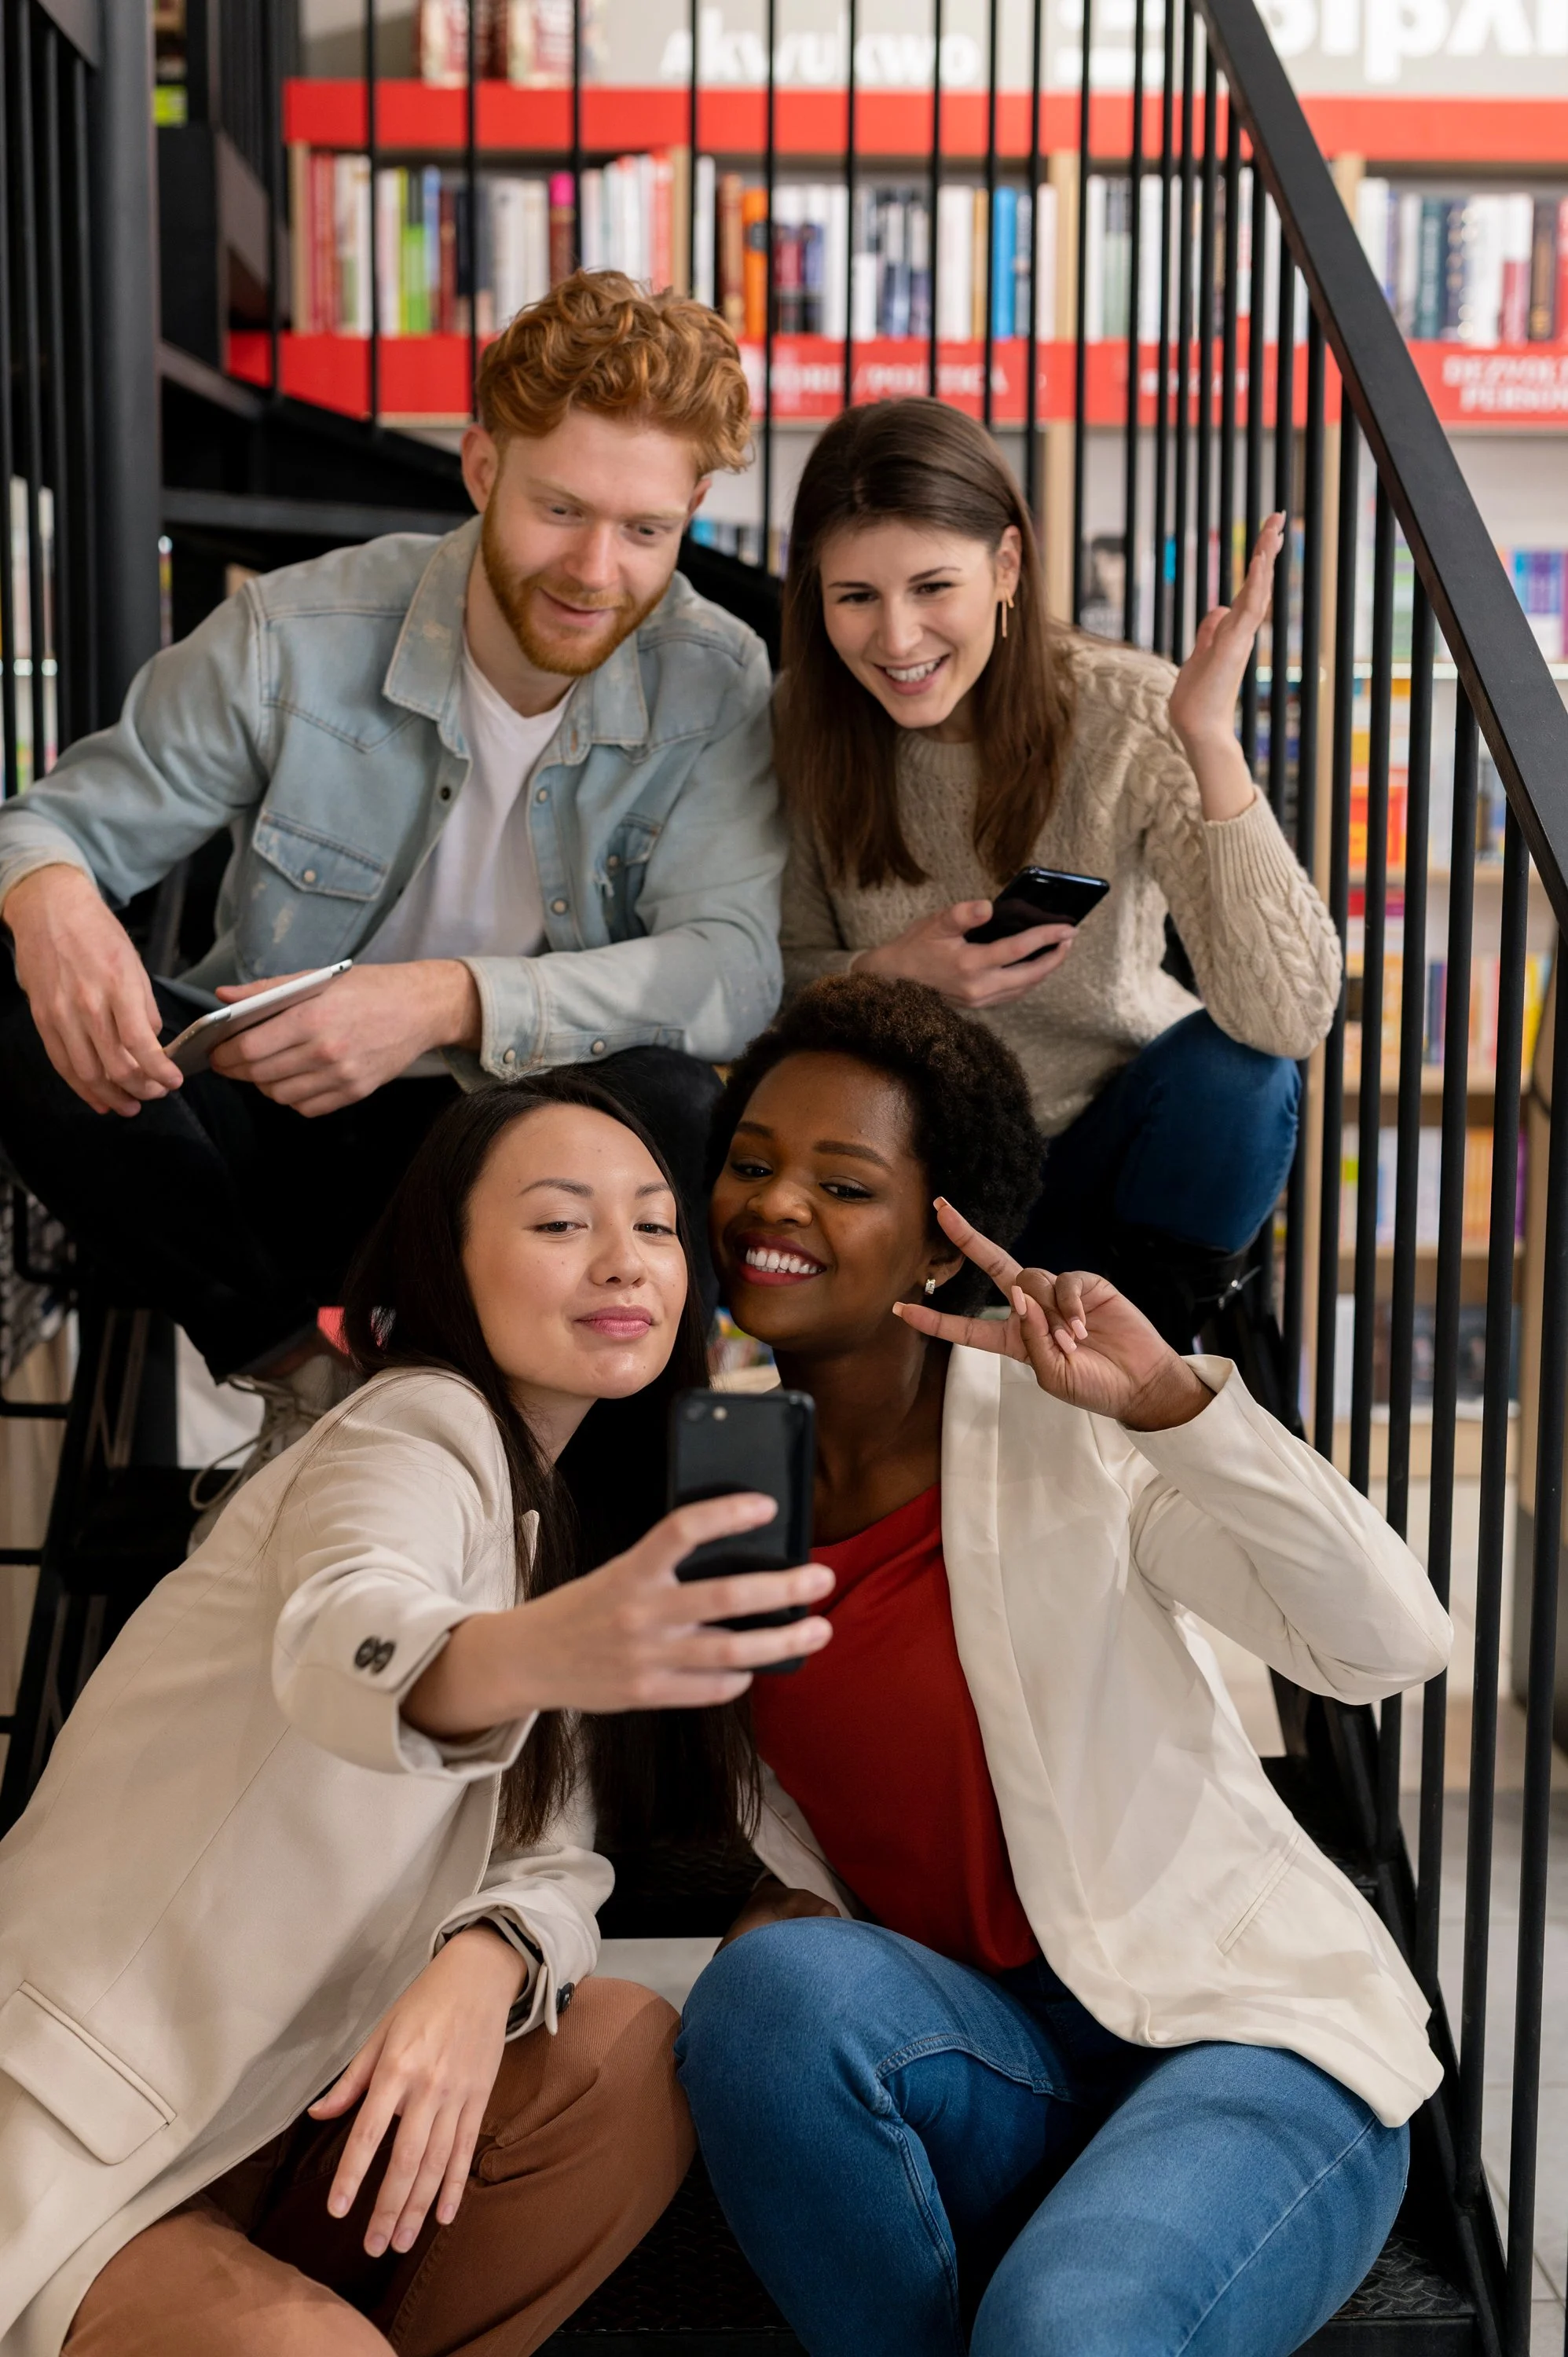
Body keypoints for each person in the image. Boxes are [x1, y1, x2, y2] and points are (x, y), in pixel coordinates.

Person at [675, 973, 1450, 2357]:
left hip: (1242, 2040)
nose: (777, 1203)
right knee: (762, 1998)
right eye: (751, 1163)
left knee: (1065, 2331)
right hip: (987, 2056)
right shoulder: (722, 1471)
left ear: (937, 1247)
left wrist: (1172, 1407)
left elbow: (1386, 1645)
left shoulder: (1067, 1427)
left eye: (843, 1184)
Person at [0, 1072, 834, 2357]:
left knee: (616, 2056)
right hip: (97, 2133)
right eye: (560, 1223)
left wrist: (485, 1956)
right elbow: (347, 1633)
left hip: (284, 2111)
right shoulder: (408, 1429)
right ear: (447, 1261)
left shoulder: (548, 1517)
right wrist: (537, 1650)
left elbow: (553, 1855)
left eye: (655, 1225)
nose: (624, 1260)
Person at [0, 269, 783, 1486]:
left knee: (674, 1100)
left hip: (530, 1144)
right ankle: (303, 1383)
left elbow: (732, 970)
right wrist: (49, 894)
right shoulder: (293, 636)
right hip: (282, 1126)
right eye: (560, 509)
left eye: (645, 531)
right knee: (14, 988)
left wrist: (442, 1000)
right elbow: (56, 827)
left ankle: (603, 1496)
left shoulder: (715, 677)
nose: (596, 569)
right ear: (481, 467)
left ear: (692, 508)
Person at [777, 398, 1343, 1347]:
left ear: (1006, 566)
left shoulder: (1129, 712)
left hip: (1113, 1158)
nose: (898, 639)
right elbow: (773, 980)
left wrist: (1208, 741)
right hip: (916, 1168)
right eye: (856, 597)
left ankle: (1137, 1363)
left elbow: (1289, 1017)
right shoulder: (802, 719)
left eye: (932, 587)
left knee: (1242, 1073)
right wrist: (884, 974)